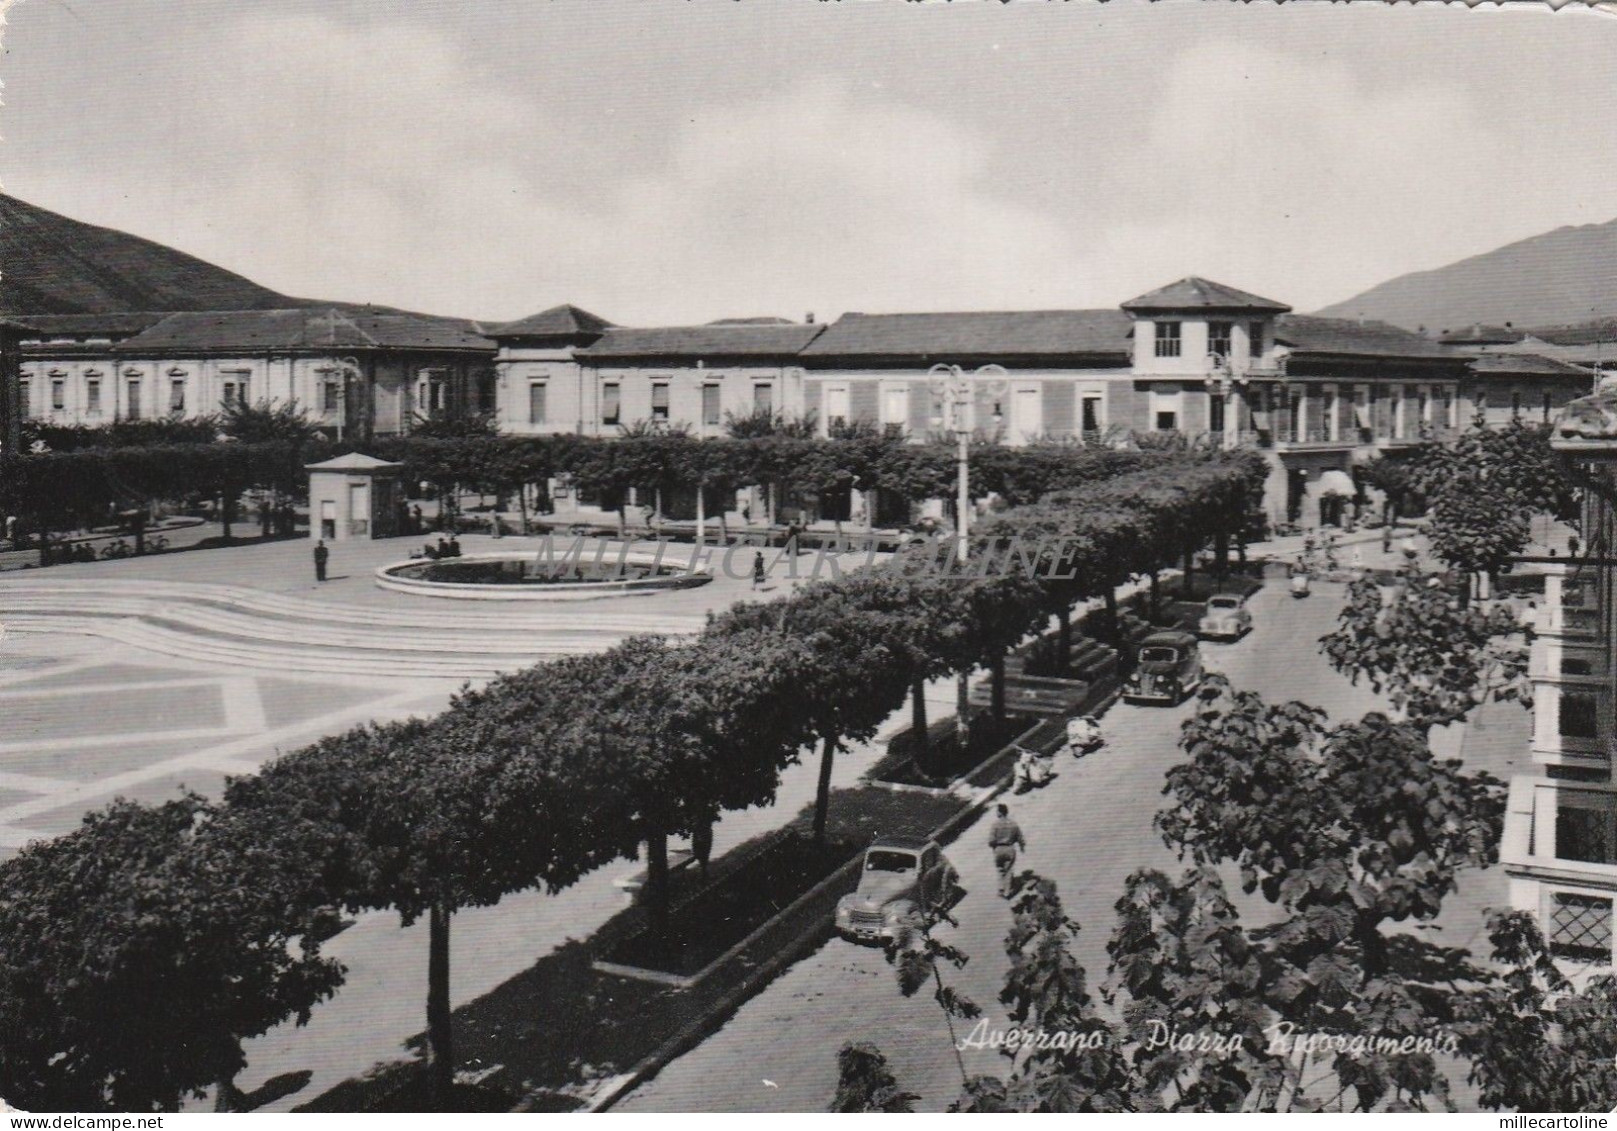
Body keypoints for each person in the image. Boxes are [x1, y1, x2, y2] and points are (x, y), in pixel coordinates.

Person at [988, 803, 1026, 897]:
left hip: (998, 849)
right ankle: (1007, 892)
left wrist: (994, 848)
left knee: (1000, 869)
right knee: (1008, 870)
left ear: (1000, 812)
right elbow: (1020, 838)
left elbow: (991, 840)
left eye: (997, 811)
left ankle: (1001, 889)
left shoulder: (995, 825)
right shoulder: (1013, 824)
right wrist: (1022, 847)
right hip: (1009, 848)